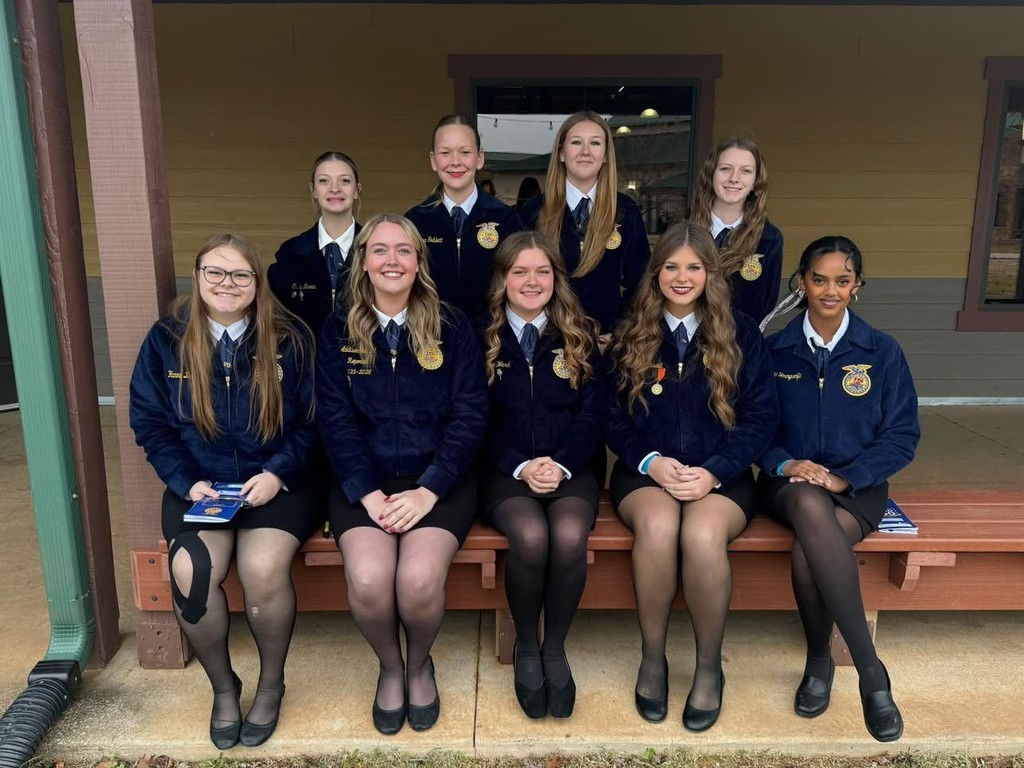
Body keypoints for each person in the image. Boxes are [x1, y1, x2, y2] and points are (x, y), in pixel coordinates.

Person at [130, 234, 318, 749]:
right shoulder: (167, 339)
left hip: (275, 486)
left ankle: (272, 684)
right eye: (215, 272)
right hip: (199, 485)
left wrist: (277, 473)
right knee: (190, 573)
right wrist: (188, 482)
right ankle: (223, 687)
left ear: (257, 284)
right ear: (198, 276)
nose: (226, 284)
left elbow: (311, 422)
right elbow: (150, 422)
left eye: (240, 275)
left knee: (261, 570)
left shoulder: (288, 337)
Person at [316, 213, 488, 735]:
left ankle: (420, 664)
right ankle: (391, 666)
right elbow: (335, 418)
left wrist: (428, 490)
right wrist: (366, 492)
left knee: (416, 581)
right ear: (363, 261)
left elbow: (470, 414)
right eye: (380, 250)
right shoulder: (339, 327)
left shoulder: (452, 326)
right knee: (369, 582)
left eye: (404, 251)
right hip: (363, 482)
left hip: (439, 482)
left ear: (419, 262)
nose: (392, 261)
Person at [606, 221, 778, 731]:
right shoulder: (633, 330)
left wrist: (714, 472)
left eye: (694, 267)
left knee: (703, 536)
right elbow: (611, 418)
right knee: (659, 528)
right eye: (672, 267)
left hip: (720, 474)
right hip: (645, 471)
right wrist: (651, 462)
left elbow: (762, 419)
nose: (682, 278)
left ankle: (707, 667)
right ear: (656, 272)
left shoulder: (740, 330)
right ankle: (653, 658)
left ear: (711, 273)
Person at [757, 236, 919, 743]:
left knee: (810, 550)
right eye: (819, 279)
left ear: (858, 287)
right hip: (788, 484)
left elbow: (902, 435)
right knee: (807, 501)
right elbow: (753, 429)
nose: (831, 290)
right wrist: (788, 464)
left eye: (842, 280)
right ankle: (872, 673)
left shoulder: (882, 351)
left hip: (858, 487)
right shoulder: (774, 349)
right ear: (802, 282)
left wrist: (846, 477)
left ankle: (820, 660)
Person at [478, 231, 604, 719]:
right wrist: (522, 465)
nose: (532, 282)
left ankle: (556, 647)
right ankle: (527, 646)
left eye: (543, 272)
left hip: (569, 466)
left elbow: (593, 413)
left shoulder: (579, 333)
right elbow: (473, 416)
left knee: (570, 535)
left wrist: (562, 463)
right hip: (505, 469)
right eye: (520, 271)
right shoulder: (479, 334)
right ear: (502, 278)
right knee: (529, 536)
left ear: (557, 278)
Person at [520, 111, 650, 347]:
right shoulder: (534, 211)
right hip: (548, 344)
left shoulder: (626, 211)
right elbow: (517, 280)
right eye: (576, 142)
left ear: (605, 156)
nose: (585, 151)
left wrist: (620, 331)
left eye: (595, 143)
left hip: (605, 345)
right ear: (561, 153)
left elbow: (641, 283)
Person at [406, 115, 522, 322]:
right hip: (431, 342)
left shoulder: (506, 220)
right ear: (433, 160)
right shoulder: (415, 222)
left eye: (465, 152)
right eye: (445, 153)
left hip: (492, 341)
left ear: (480, 158)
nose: (455, 162)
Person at [688, 136, 783, 327]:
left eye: (745, 171)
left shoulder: (769, 239)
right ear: (710, 174)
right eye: (725, 169)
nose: (734, 178)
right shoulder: (683, 232)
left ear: (756, 181)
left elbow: (765, 307)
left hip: (739, 347)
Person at [269, 151, 363, 336]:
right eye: (324, 181)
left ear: (357, 190)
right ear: (313, 190)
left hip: (365, 362)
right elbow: (277, 321)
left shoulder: (376, 248)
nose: (334, 188)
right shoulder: (290, 254)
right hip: (306, 362)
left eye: (344, 181)